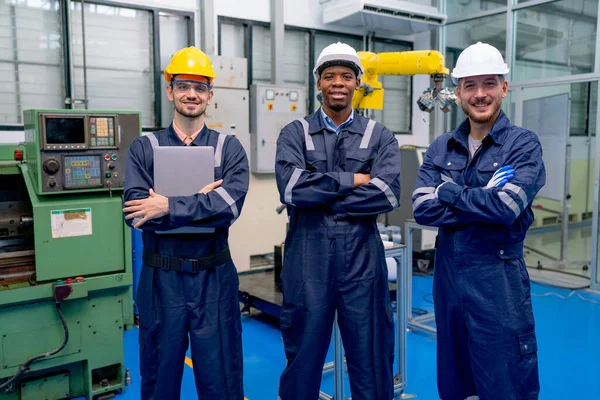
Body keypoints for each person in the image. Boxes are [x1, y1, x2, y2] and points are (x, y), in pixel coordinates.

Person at [412, 42, 545, 400]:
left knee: (505, 381)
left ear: (503, 87)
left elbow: (506, 207)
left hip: (498, 281)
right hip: (449, 281)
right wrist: (480, 195)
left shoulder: (522, 145)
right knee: (455, 381)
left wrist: (450, 191)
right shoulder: (442, 146)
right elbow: (422, 207)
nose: (480, 94)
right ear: (457, 93)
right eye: (470, 85)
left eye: (489, 83)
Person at [275, 42, 401, 400]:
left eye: (347, 76)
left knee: (371, 356)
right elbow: (292, 189)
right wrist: (353, 180)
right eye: (329, 76)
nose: (338, 83)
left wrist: (325, 197)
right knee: (303, 355)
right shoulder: (294, 133)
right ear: (318, 83)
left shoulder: (380, 135)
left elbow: (388, 193)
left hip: (362, 260)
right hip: (307, 260)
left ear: (358, 82)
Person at [122, 46, 249, 400]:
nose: (191, 94)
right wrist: (200, 204)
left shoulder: (229, 148)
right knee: (159, 377)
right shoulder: (143, 148)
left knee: (221, 377)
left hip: (215, 279)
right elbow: (135, 211)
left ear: (210, 94)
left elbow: (229, 208)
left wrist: (165, 205)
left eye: (199, 87)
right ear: (170, 91)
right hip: (161, 281)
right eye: (183, 86)